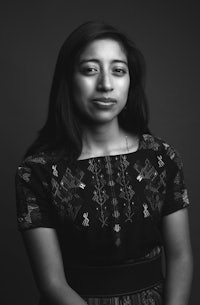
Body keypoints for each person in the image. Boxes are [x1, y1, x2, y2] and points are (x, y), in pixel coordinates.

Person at [15, 21, 193, 305]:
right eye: (90, 70)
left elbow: (181, 257)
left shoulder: (162, 158)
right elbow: (51, 283)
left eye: (118, 71)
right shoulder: (36, 171)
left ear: (129, 80)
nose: (106, 84)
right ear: (68, 79)